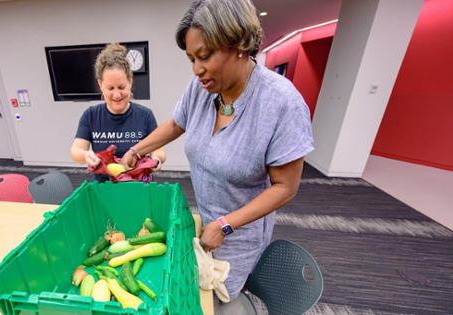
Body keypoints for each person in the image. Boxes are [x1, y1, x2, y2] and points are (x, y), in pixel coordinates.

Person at [120, 0, 313, 312]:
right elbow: (175, 124)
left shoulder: (282, 104)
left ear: (238, 43)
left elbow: (285, 187)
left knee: (214, 301)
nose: (197, 69)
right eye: (191, 58)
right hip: (204, 219)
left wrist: (226, 224)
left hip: (241, 234)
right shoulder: (202, 87)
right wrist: (136, 149)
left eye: (205, 56)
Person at [70, 43, 166, 181]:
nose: (116, 95)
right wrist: (86, 155)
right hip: (105, 190)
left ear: (130, 82)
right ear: (100, 85)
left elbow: (159, 150)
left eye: (121, 87)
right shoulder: (90, 115)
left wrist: (156, 159)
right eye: (110, 88)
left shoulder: (145, 116)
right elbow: (75, 151)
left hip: (138, 189)